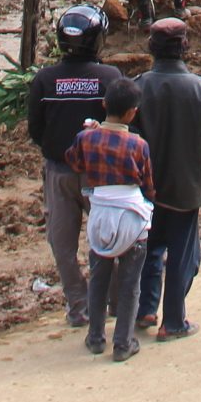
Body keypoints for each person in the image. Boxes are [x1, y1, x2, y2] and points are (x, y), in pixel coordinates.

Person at [23, 4, 126, 328]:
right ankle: (113, 300)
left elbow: (34, 129)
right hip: (100, 174)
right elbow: (125, 121)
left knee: (62, 244)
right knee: (106, 240)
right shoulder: (110, 78)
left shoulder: (45, 79)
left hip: (58, 171)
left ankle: (79, 306)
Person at [133, 20, 201, 341]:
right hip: (187, 189)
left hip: (146, 189)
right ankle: (173, 321)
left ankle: (146, 308)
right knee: (184, 255)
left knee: (150, 248)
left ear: (152, 48)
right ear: (185, 46)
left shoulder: (138, 87)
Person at [63, 74, 154, 362]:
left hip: (101, 215)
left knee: (99, 277)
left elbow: (73, 161)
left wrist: (88, 131)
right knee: (129, 283)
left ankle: (95, 338)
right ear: (132, 112)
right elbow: (148, 185)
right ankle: (124, 343)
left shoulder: (86, 139)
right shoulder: (138, 145)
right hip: (131, 217)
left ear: (103, 105)